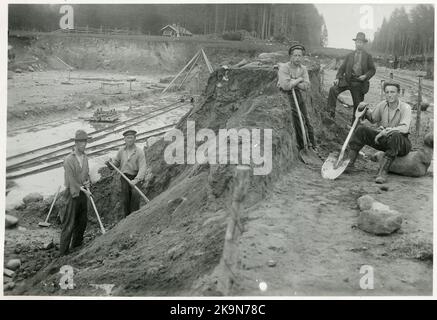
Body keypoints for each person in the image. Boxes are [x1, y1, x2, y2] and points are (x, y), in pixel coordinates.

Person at [346, 81, 412, 184]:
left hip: (401, 143)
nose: (389, 95)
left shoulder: (406, 108)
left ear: (398, 93)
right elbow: (373, 118)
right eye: (387, 92)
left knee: (395, 135)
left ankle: (382, 172)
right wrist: (364, 109)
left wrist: (385, 131)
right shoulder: (382, 105)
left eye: (392, 92)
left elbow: (404, 128)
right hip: (386, 140)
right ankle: (349, 164)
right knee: (361, 130)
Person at [327, 32, 376, 121]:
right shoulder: (350, 55)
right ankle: (330, 114)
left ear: (364, 44)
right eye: (357, 42)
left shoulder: (368, 56)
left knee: (358, 106)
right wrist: (337, 78)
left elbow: (373, 70)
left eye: (361, 42)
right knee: (333, 89)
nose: (358, 44)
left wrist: (365, 76)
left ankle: (355, 125)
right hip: (347, 80)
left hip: (359, 83)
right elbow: (342, 68)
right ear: (355, 43)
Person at [277, 43, 316, 150]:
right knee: (297, 118)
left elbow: (306, 86)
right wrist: (299, 80)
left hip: (297, 93)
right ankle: (302, 145)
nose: (298, 58)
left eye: (300, 56)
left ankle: (312, 145)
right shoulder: (284, 68)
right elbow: (285, 86)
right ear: (290, 56)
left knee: (306, 119)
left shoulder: (303, 69)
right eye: (295, 55)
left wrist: (294, 82)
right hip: (286, 96)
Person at [60, 130, 92, 256]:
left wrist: (88, 182)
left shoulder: (85, 157)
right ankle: (63, 253)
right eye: (80, 142)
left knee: (82, 221)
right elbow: (72, 180)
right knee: (69, 224)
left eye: (85, 141)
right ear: (75, 143)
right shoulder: (68, 159)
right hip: (71, 194)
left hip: (83, 193)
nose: (83, 144)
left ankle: (76, 247)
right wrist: (83, 189)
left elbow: (86, 174)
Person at [106, 129, 146, 217]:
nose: (130, 140)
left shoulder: (139, 152)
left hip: (136, 177)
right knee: (125, 198)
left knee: (135, 196)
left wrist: (136, 180)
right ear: (124, 139)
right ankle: (126, 217)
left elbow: (142, 168)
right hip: (124, 177)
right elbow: (116, 163)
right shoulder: (121, 151)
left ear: (135, 139)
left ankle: (134, 217)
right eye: (128, 138)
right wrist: (110, 164)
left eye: (131, 138)